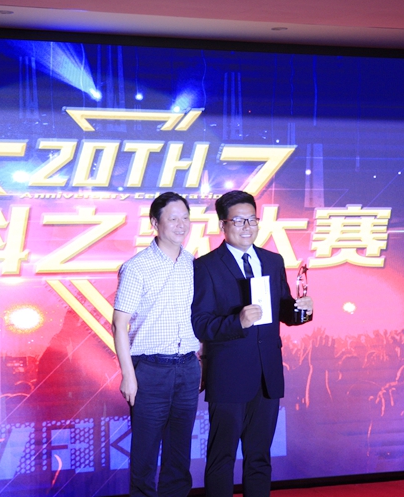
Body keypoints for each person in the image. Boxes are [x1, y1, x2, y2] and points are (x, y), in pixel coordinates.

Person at [191, 190, 313, 497]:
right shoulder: (206, 266)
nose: (247, 227)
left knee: (259, 458)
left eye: (252, 220)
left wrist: (301, 310)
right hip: (228, 377)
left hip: (267, 375)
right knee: (221, 458)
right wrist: (238, 321)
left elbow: (283, 309)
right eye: (238, 220)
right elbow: (200, 323)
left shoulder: (272, 261)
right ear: (222, 224)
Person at [112, 192, 202, 497]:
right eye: (173, 218)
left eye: (185, 218)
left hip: (188, 367)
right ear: (155, 222)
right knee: (145, 455)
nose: (181, 225)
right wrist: (128, 375)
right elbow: (119, 324)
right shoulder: (137, 267)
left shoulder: (193, 264)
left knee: (179, 455)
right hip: (150, 370)